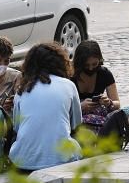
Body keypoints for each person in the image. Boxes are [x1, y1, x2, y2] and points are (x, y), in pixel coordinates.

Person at [8, 43, 83, 172]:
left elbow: (17, 127)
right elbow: (76, 124)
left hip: (23, 163)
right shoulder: (69, 85)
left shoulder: (22, 90)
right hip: (62, 160)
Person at [71, 39, 121, 133]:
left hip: (100, 115)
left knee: (127, 112)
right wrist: (80, 107)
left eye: (94, 64)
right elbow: (63, 107)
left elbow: (117, 103)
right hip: (78, 118)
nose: (90, 68)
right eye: (86, 65)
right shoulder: (71, 76)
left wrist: (109, 103)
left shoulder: (104, 74)